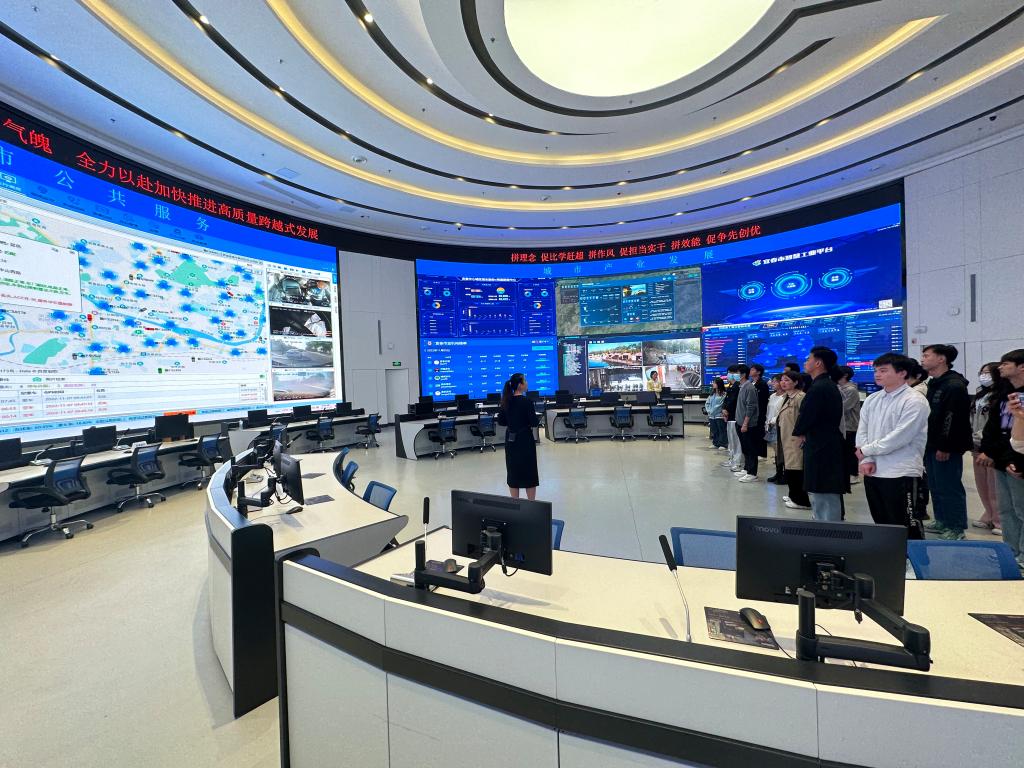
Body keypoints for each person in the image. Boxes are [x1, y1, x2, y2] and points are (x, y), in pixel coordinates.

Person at [855, 354, 930, 538]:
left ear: (902, 373)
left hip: (901, 471)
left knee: (906, 524)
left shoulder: (914, 400)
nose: (877, 374)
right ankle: (888, 555)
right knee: (882, 523)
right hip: (874, 470)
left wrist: (866, 450)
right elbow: (863, 429)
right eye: (876, 370)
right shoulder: (873, 399)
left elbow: (901, 436)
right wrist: (867, 458)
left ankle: (913, 556)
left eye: (883, 370)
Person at [920, 344, 972, 541]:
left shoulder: (954, 385)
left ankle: (956, 527)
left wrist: (945, 446)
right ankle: (942, 520)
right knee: (936, 485)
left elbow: (952, 418)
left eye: (927, 355)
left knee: (949, 486)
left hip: (946, 446)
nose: (923, 359)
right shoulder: (935, 383)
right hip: (931, 443)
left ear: (941, 359)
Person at [978, 349, 1024, 570]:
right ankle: (1010, 551)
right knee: (1006, 510)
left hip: (1018, 460)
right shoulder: (1003, 393)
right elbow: (993, 427)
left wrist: (1015, 460)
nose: (1001, 367)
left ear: (1021, 367)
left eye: (1006, 363)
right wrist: (990, 452)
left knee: (1021, 509)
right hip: (1002, 458)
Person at [791, 346, 848, 521]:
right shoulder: (823, 385)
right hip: (821, 444)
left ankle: (829, 531)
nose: (805, 362)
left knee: (824, 491)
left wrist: (800, 432)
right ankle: (823, 526)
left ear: (818, 363)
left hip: (823, 447)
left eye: (808, 359)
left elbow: (808, 415)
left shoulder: (821, 387)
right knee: (819, 491)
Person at [970, 363, 1003, 534]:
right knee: (981, 482)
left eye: (988, 373)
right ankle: (988, 514)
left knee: (994, 484)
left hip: (990, 444)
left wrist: (986, 440)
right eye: (982, 373)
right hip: (976, 443)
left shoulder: (1001, 395)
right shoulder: (979, 394)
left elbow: (995, 423)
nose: (984, 376)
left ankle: (999, 520)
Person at [497, 372, 540, 500]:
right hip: (525, 439)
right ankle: (531, 504)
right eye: (525, 381)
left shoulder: (506, 401)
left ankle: (515, 504)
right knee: (529, 472)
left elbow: (501, 421)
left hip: (511, 440)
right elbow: (534, 422)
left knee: (513, 471)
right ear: (520, 385)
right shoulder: (527, 402)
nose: (526, 383)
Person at [776, 371, 811, 509]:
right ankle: (793, 495)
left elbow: (805, 418)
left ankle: (801, 501)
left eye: (787, 380)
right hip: (786, 438)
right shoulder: (787, 397)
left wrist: (803, 436)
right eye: (782, 380)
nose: (783, 383)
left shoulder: (800, 397)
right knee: (790, 468)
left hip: (796, 440)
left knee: (797, 469)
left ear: (796, 382)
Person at [833, 365, 862, 485]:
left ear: (845, 375)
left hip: (850, 426)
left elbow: (844, 407)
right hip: (841, 426)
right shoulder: (838, 387)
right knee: (843, 452)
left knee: (850, 451)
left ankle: (853, 474)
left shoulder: (851, 390)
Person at [735, 364, 761, 482]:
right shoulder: (742, 386)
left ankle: (752, 473)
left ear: (743, 374)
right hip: (740, 422)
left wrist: (745, 423)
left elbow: (751, 407)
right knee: (745, 447)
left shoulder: (749, 387)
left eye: (736, 373)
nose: (734, 375)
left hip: (748, 424)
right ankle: (747, 468)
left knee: (751, 448)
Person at [720, 365, 744, 472]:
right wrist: (724, 410)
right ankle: (732, 459)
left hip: (735, 416)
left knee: (736, 441)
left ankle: (738, 462)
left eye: (731, 373)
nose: (728, 375)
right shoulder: (731, 386)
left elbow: (734, 402)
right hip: (729, 417)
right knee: (731, 441)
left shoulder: (738, 387)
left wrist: (727, 409)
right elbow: (726, 400)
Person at [764, 374, 785, 483]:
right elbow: (769, 411)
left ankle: (783, 474)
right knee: (776, 451)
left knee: (781, 451)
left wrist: (773, 420)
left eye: (775, 381)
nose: (773, 383)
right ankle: (778, 473)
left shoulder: (785, 397)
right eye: (772, 381)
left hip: (780, 426)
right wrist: (767, 423)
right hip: (771, 426)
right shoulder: (772, 396)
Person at [705, 378, 727, 449]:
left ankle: (723, 444)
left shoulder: (724, 394)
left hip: (719, 415)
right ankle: (715, 443)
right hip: (711, 416)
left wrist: (712, 411)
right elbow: (707, 403)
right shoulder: (712, 394)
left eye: (714, 383)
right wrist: (709, 411)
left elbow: (720, 405)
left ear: (719, 384)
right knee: (714, 430)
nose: (713, 384)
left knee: (721, 430)